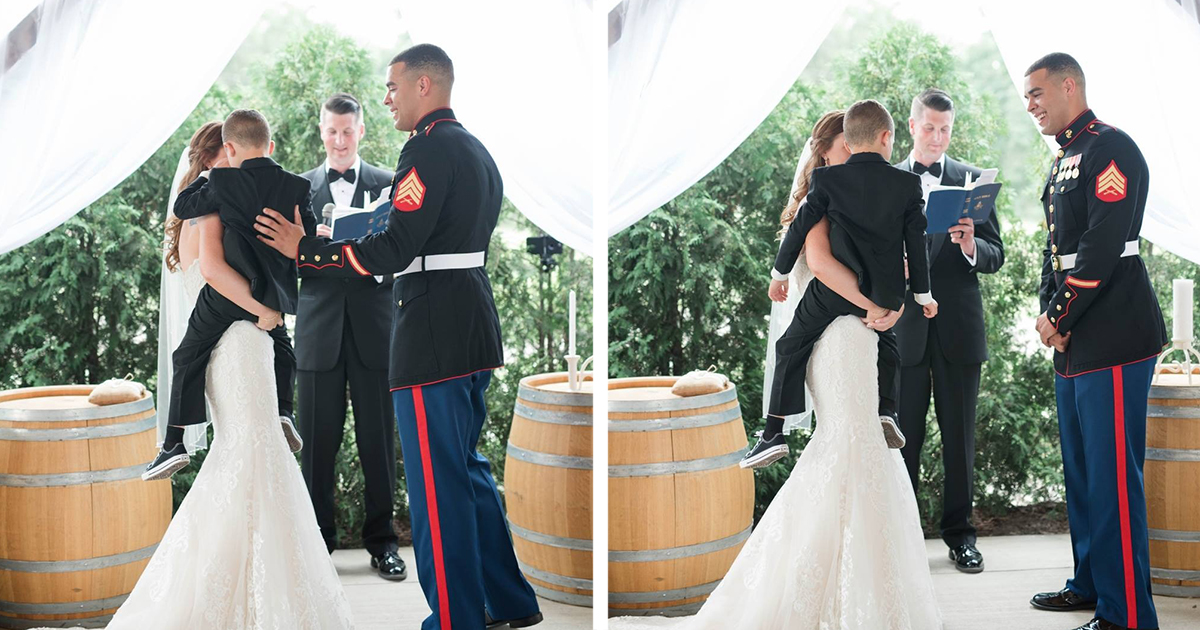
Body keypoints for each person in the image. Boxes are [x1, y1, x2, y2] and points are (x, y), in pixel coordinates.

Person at [610, 111, 942, 630]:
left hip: (861, 330)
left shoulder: (848, 194)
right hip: (840, 335)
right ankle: (783, 447)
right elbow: (825, 267)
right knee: (844, 441)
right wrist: (880, 303)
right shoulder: (828, 198)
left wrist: (892, 294)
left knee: (857, 447)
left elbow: (888, 250)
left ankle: (860, 577)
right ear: (827, 151)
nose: (852, 157)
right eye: (844, 148)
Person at [254, 44, 542, 630]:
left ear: (424, 86)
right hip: (469, 323)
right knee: (468, 472)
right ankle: (508, 602)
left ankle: (456, 618)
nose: (386, 99)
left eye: (393, 87)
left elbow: (394, 248)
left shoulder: (426, 150)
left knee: (437, 486)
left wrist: (305, 249)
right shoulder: (476, 148)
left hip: (431, 331)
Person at [103, 122, 354, 629]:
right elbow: (215, 272)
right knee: (250, 450)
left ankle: (252, 574)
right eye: (228, 161)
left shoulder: (221, 199)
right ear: (217, 159)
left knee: (251, 452)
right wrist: (265, 309)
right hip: (238, 338)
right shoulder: (218, 200)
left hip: (241, 338)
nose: (237, 169)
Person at [1023, 53, 1167, 630]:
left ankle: (1126, 613)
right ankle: (1090, 584)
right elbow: (1055, 249)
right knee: (1083, 472)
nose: (1030, 105)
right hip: (1077, 336)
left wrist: (1060, 314)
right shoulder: (1066, 156)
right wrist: (1050, 315)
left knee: (1112, 481)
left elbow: (1103, 248)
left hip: (1114, 334)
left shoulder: (1112, 149)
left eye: (1036, 93)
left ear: (1069, 86)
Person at [743, 99, 937, 469]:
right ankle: (889, 409)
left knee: (790, 345)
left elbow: (798, 236)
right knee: (889, 345)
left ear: (851, 140)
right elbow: (915, 243)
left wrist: (778, 274)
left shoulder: (828, 184)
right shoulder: (905, 184)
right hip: (879, 293)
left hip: (834, 297)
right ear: (886, 138)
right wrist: (915, 296)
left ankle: (773, 432)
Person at [143, 109, 313, 480]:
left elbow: (192, 227)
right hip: (268, 293)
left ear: (232, 149)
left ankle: (173, 442)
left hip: (225, 298)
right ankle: (285, 410)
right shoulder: (293, 186)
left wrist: (208, 178)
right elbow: (307, 244)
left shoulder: (219, 188)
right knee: (284, 347)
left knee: (187, 355)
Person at [893, 88, 1005, 574]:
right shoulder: (889, 181)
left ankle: (961, 537)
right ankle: (901, 540)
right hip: (904, 333)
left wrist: (970, 245)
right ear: (913, 126)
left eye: (946, 130)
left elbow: (997, 254)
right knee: (903, 441)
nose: (938, 137)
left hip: (959, 330)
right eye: (930, 128)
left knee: (960, 441)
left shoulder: (973, 181)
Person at [297, 92, 405, 580]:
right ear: (321, 131)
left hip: (374, 331)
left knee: (378, 444)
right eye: (331, 131)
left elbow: (401, 254)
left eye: (347, 131)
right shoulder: (299, 189)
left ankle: (383, 544)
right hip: (318, 332)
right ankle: (317, 545)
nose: (339, 140)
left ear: (361, 131)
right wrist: (315, 249)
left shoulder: (389, 183)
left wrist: (364, 253)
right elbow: (287, 260)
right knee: (317, 447)